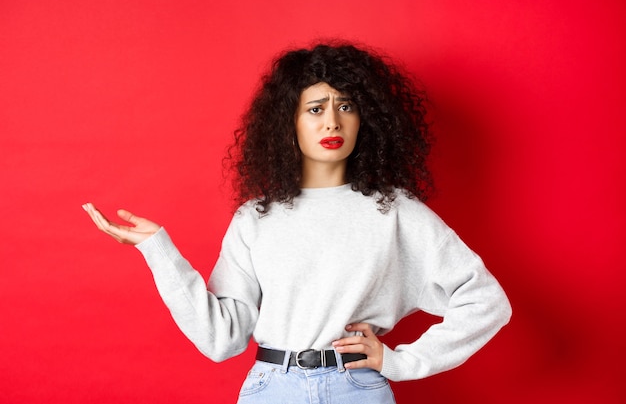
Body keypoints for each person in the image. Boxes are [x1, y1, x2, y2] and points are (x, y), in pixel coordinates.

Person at [83, 42, 512, 404]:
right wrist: (158, 249)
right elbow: (221, 340)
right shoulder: (256, 218)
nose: (332, 121)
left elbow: (485, 302)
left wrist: (400, 361)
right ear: (288, 122)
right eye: (315, 108)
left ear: (367, 120)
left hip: (356, 389)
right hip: (272, 388)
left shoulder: (394, 211)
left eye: (346, 106)